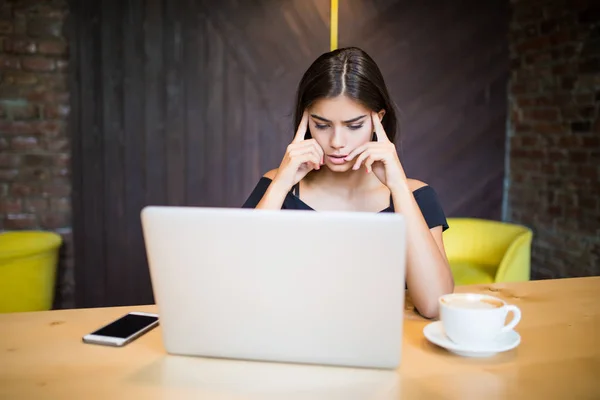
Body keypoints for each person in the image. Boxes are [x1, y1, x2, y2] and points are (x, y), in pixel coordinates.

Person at [242, 47, 454, 318]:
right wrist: (281, 183)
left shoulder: (415, 195)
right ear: (305, 121)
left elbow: (435, 304)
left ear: (378, 120)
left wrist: (398, 186)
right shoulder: (278, 186)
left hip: (390, 349)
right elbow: (236, 277)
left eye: (353, 126)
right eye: (321, 125)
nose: (337, 142)